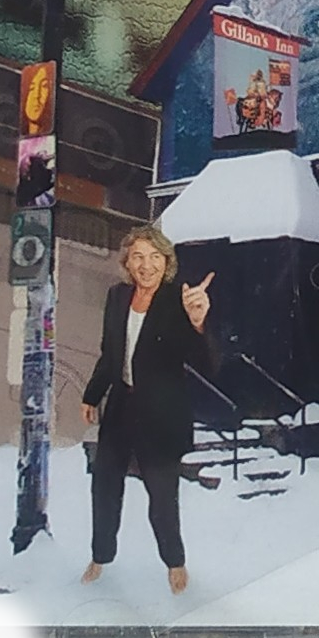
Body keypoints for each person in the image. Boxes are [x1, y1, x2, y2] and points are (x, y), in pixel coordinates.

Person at [80, 225, 215, 593]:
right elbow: (110, 354)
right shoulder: (117, 297)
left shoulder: (177, 300)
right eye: (138, 256)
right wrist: (92, 395)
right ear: (127, 262)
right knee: (104, 486)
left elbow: (204, 363)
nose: (147, 265)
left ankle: (175, 563)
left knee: (162, 497)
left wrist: (198, 322)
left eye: (155, 257)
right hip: (121, 406)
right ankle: (100, 557)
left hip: (160, 415)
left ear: (166, 263)